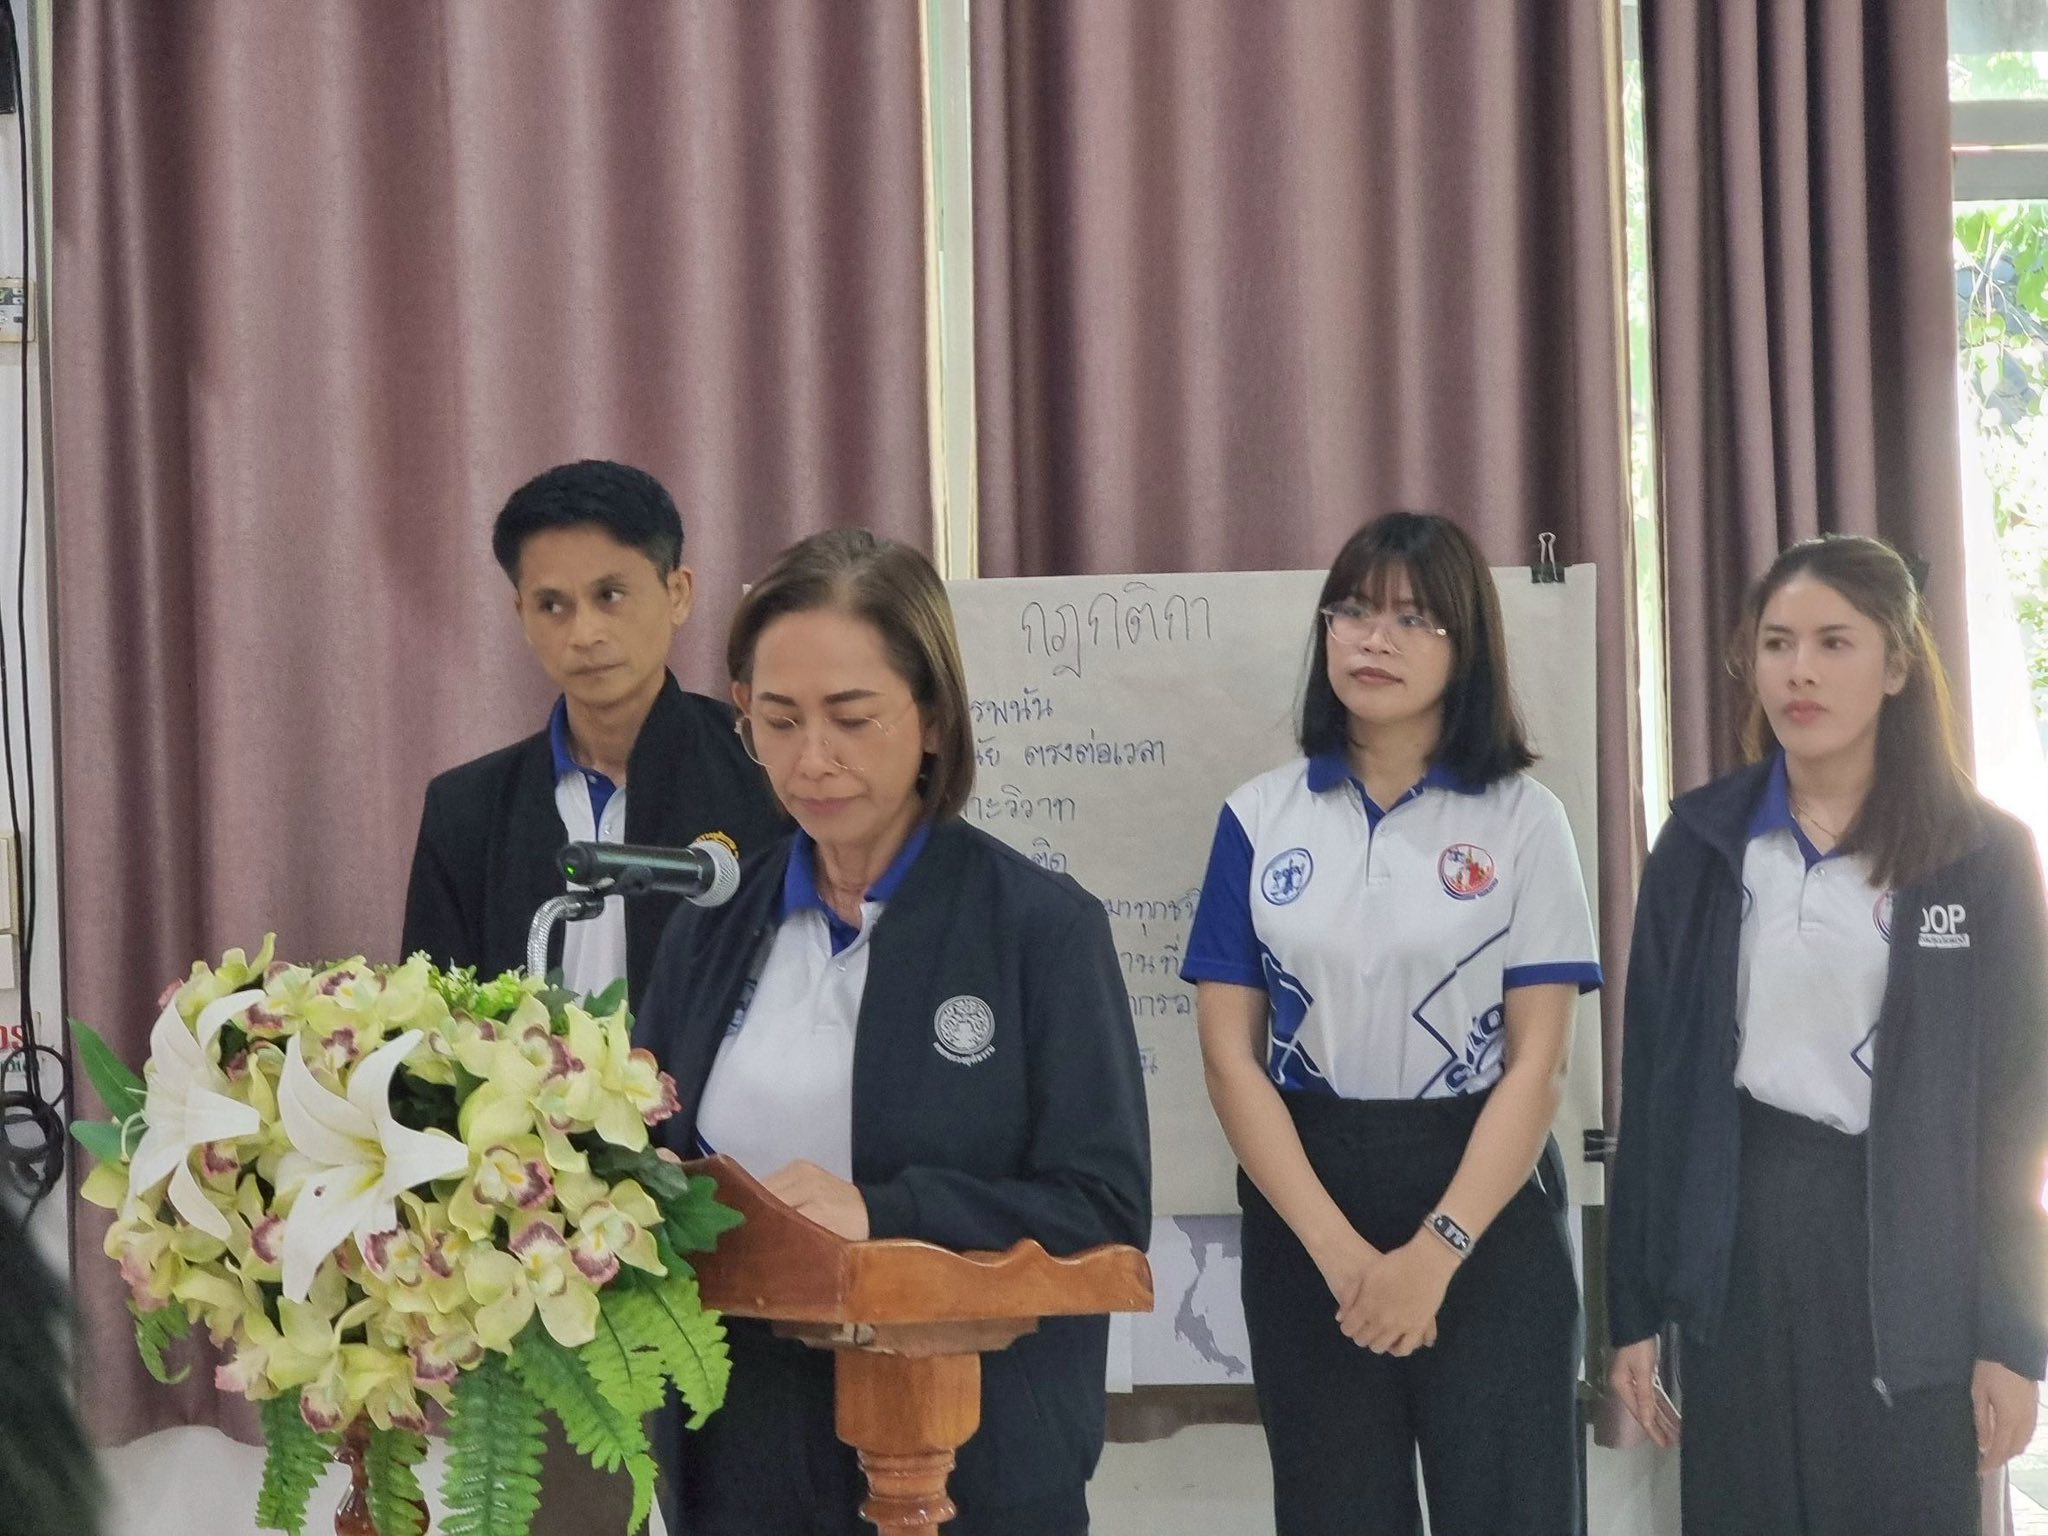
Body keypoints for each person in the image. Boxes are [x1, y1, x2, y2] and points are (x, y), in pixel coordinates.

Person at [634, 527, 1151, 1536]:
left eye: (851, 717)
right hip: (737, 1447)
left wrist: (882, 1211)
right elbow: (651, 1142)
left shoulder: (1037, 929)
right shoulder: (712, 924)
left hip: (966, 1459)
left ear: (933, 718)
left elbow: (1101, 1208)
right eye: (778, 720)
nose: (811, 759)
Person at [1607, 535, 2048, 1535]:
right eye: (1776, 644)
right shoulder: (1701, 843)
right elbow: (1655, 1083)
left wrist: (2011, 1337)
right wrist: (1632, 1311)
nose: (1797, 671)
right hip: (1740, 1230)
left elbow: (2018, 1114)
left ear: (1896, 666)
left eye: (1832, 642)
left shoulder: (1980, 855)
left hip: (1914, 1246)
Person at [1183, 511, 1600, 1536]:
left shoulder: (1523, 820)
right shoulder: (1257, 817)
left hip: (1483, 1204)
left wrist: (1434, 1254)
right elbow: (1230, 1061)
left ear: (1467, 647)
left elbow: (1538, 1067)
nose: (1373, 639)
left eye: (1414, 619)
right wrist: (1339, 1257)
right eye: (1352, 611)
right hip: (1307, 1205)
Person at [401, 459, 783, 1007]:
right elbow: (430, 1025)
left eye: (610, 595)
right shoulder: (466, 809)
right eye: (552, 605)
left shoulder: (766, 770)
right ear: (522, 616)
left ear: (678, 593)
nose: (584, 633)